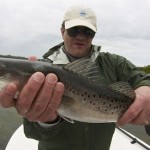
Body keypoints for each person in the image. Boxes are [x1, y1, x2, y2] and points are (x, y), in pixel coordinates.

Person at [0, 4, 150, 150]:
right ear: (62, 31)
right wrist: (45, 121)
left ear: (94, 34)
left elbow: (143, 78)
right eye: (74, 30)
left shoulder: (115, 63)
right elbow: (32, 132)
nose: (80, 36)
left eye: (87, 32)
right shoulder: (42, 73)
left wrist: (146, 89)